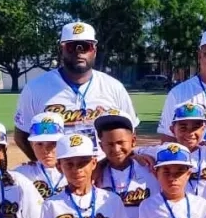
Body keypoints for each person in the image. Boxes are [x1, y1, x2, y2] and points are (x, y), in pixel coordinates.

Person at [14, 21, 138, 162]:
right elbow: (22, 135)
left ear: (94, 51)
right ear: (62, 50)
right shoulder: (35, 88)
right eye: (72, 47)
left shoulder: (114, 87)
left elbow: (130, 131)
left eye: (85, 46)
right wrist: (47, 169)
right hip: (59, 172)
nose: (79, 52)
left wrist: (108, 168)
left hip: (103, 172)